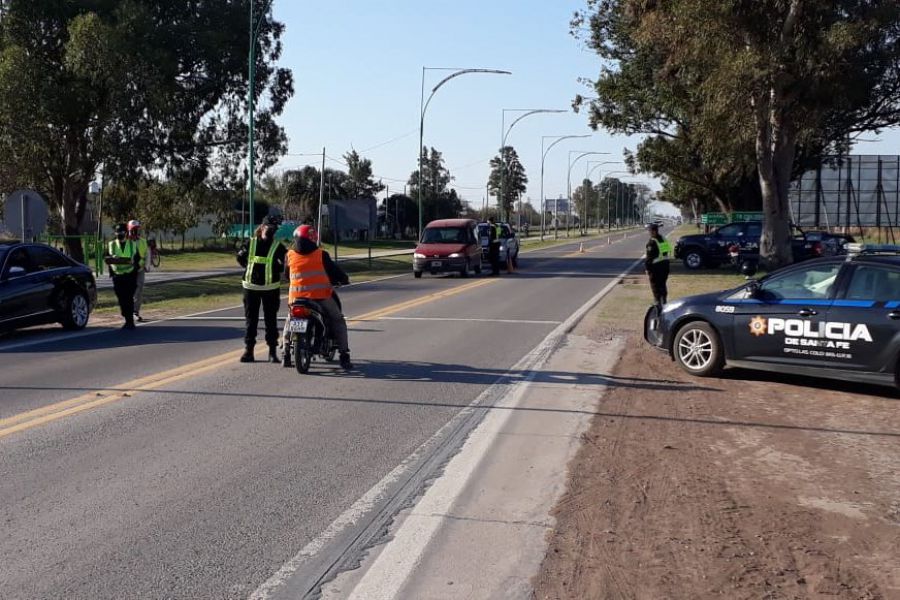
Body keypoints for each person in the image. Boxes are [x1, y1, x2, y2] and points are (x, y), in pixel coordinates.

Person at [285, 225, 353, 370]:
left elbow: (286, 275)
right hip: (320, 297)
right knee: (338, 320)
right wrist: (344, 279)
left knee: (290, 318)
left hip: (296, 298)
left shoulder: (289, 254)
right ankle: (344, 355)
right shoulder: (321, 254)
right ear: (313, 238)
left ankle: (285, 352)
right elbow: (335, 272)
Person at [237, 214, 288, 363]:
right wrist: (249, 269)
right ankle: (249, 351)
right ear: (263, 226)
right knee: (250, 321)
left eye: (275, 229)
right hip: (250, 287)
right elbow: (240, 257)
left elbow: (286, 262)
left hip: (270, 288)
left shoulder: (277, 246)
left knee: (270, 321)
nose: (273, 231)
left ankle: (272, 352)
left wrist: (276, 268)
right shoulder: (250, 243)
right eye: (270, 228)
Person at [105, 223, 140, 330]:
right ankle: (126, 316)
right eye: (117, 233)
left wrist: (134, 264)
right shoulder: (112, 244)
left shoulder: (132, 244)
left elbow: (137, 259)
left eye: (121, 232)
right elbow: (107, 257)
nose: (119, 234)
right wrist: (111, 258)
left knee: (128, 298)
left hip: (129, 275)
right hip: (117, 276)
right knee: (121, 299)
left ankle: (129, 321)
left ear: (126, 233)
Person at [127, 219, 150, 322]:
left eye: (137, 229)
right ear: (129, 230)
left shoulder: (143, 241)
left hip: (140, 269)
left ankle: (135, 312)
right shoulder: (125, 242)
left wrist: (147, 266)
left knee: (138, 290)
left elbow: (147, 254)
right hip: (129, 270)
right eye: (133, 229)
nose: (135, 232)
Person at [645, 223, 672, 307]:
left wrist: (647, 268)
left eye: (649, 231)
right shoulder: (663, 239)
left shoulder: (652, 242)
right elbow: (667, 251)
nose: (649, 233)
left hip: (656, 267)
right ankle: (664, 300)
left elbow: (649, 258)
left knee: (655, 285)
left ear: (653, 231)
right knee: (663, 284)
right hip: (665, 265)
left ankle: (657, 302)